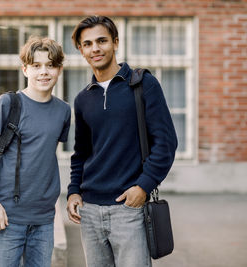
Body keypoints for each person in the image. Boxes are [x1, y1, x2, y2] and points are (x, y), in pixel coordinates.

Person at [66, 15, 178, 267]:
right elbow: (81, 153)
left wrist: (144, 186)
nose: (95, 48)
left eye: (102, 41)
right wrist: (73, 191)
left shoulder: (143, 84)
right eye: (87, 44)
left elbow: (166, 142)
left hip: (129, 208)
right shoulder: (82, 99)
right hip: (90, 211)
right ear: (81, 50)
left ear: (115, 43)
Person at [0, 36, 71, 267]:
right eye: (36, 66)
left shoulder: (63, 111)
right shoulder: (8, 103)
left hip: (44, 220)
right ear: (25, 69)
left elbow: (43, 156)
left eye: (50, 65)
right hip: (6, 217)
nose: (44, 72)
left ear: (59, 69)